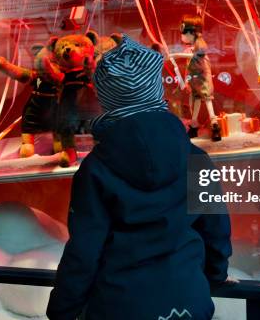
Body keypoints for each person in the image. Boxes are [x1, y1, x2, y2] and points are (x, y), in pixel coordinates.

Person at [46, 35, 232, 320]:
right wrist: (214, 276)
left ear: (105, 100)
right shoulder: (196, 159)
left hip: (119, 305)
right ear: (157, 91)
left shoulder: (95, 171)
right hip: (187, 302)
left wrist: (62, 309)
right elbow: (216, 229)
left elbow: (84, 251)